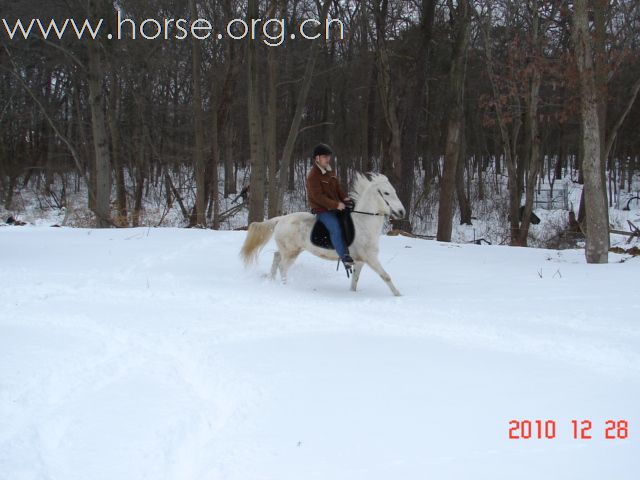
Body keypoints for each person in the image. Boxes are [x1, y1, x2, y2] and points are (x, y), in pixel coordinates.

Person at [306, 143, 354, 268]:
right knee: (336, 228)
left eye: (328, 156)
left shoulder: (329, 171)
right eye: (324, 156)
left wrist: (344, 198)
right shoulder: (313, 176)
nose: (328, 159)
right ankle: (345, 257)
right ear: (317, 158)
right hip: (322, 210)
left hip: (334, 207)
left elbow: (337, 188)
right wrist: (336, 204)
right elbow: (318, 197)